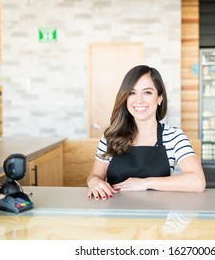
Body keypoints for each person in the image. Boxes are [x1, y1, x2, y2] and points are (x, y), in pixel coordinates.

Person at [87, 65, 206, 200]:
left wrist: (145, 183)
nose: (139, 100)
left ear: (160, 98)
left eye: (147, 92)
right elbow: (95, 176)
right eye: (132, 93)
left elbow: (198, 182)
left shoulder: (174, 137)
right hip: (116, 217)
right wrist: (93, 182)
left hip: (158, 217)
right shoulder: (110, 137)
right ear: (125, 98)